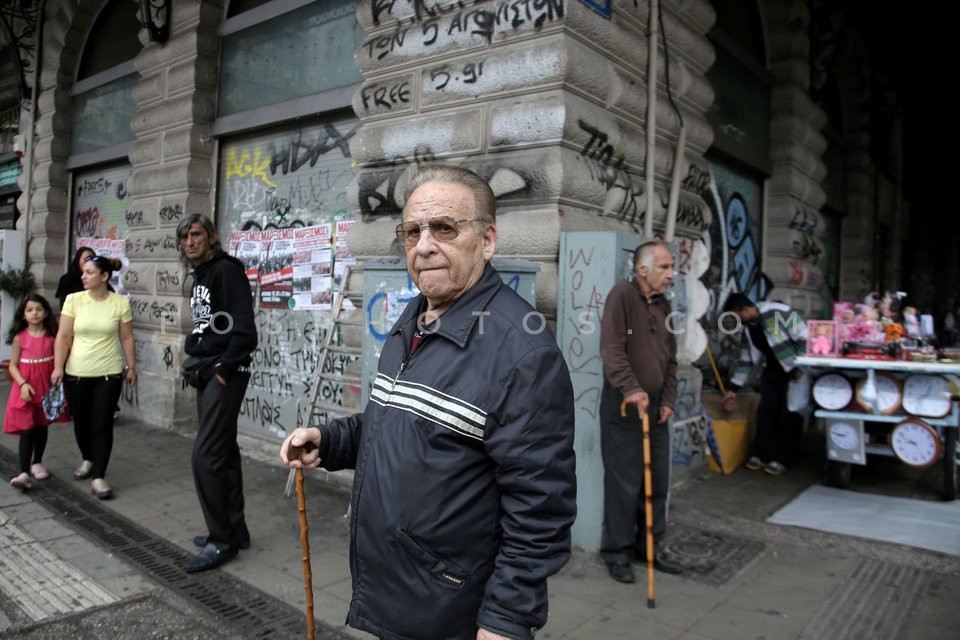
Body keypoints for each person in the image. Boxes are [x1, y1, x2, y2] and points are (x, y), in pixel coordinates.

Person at [280, 165, 576, 640]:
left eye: (444, 228)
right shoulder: (415, 315)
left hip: (449, 606)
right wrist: (331, 441)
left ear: (487, 240)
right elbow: (398, 421)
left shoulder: (523, 352)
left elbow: (541, 508)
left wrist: (505, 620)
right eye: (413, 231)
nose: (423, 245)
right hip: (398, 589)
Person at [177, 213, 257, 574]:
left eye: (195, 235)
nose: (189, 242)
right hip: (207, 371)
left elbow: (245, 331)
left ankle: (220, 540)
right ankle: (234, 530)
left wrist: (224, 370)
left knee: (204, 456)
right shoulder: (200, 275)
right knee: (222, 452)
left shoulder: (226, 270)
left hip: (224, 374)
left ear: (212, 237)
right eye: (183, 238)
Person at [598, 240, 682, 583]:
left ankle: (649, 546)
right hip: (624, 404)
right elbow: (611, 349)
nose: (671, 274)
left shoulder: (665, 307)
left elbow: (672, 359)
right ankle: (616, 551)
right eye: (665, 267)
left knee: (656, 481)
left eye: (672, 267)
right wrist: (631, 388)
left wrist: (669, 399)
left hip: (656, 403)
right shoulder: (622, 295)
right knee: (624, 483)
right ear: (643, 269)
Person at [52, 256, 136, 500]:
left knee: (102, 423)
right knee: (81, 422)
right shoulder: (74, 300)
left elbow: (127, 338)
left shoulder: (119, 303)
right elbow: (63, 336)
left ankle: (99, 475)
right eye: (84, 272)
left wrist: (131, 367)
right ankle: (88, 458)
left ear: (104, 277)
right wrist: (58, 366)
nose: (83, 276)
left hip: (108, 372)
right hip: (77, 372)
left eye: (89, 272)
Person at [720, 293, 807, 476]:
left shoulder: (780, 312)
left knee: (789, 415)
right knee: (766, 411)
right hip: (772, 371)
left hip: (795, 372)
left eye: (737, 316)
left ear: (745, 310)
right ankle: (760, 454)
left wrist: (802, 366)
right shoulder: (749, 328)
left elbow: (804, 337)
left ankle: (781, 458)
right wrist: (733, 389)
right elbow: (746, 360)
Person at [5, 293, 64, 489]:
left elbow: (58, 360)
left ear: (46, 312)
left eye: (38, 309)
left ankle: (37, 462)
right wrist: (22, 384)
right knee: (27, 429)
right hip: (25, 388)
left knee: (41, 426)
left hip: (45, 386)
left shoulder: (52, 337)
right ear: (23, 315)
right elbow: (12, 366)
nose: (34, 313)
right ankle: (23, 473)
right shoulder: (19, 338)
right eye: (29, 310)